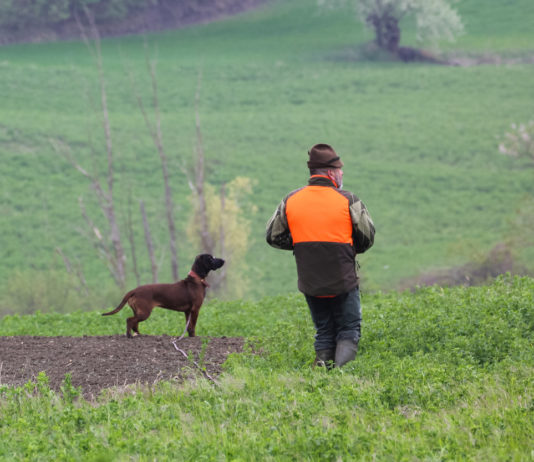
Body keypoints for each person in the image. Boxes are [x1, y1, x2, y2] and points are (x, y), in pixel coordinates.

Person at [266, 143, 375, 368]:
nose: (342, 172)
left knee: (324, 330)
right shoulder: (348, 200)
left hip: (311, 281)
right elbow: (368, 236)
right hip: (343, 278)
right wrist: (351, 248)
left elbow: (273, 236)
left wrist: (301, 245)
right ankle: (341, 377)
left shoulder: (291, 200)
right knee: (348, 329)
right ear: (330, 173)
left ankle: (321, 374)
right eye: (339, 168)